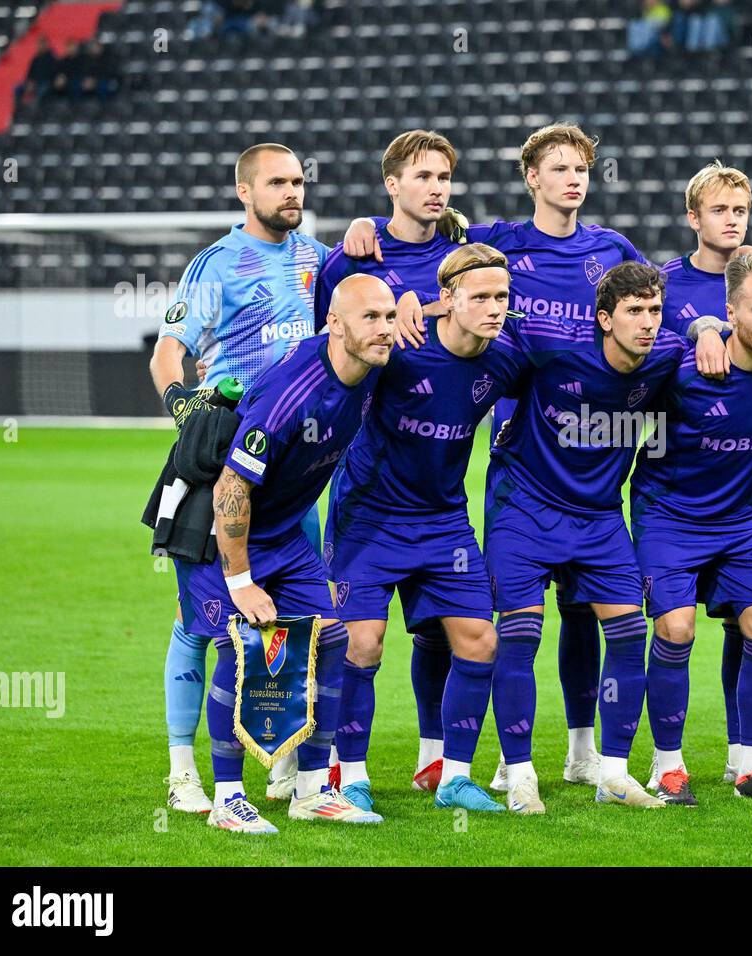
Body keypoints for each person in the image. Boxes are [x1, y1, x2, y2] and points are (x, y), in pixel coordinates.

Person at [343, 123, 650, 792]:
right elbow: (424, 250)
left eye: (582, 168)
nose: (574, 178)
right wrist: (369, 235)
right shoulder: (498, 242)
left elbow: (654, 312)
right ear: (531, 177)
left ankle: (582, 750)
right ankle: (438, 758)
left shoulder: (613, 249)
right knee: (458, 627)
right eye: (559, 167)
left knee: (585, 614)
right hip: (521, 457)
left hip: (593, 458)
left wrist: (707, 327)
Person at [150, 143, 331, 813]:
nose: (291, 192)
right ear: (243, 192)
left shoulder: (318, 259)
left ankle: (280, 760)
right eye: (277, 182)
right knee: (202, 623)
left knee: (286, 619)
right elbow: (169, 351)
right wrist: (185, 407)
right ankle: (182, 768)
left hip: (294, 473)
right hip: (225, 468)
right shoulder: (214, 266)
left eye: (298, 181)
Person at [484, 262, 697, 813]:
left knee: (628, 635)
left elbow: (715, 338)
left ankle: (615, 773)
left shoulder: (668, 356)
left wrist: (710, 330)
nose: (647, 323)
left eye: (654, 310)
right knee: (521, 635)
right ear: (604, 319)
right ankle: (520, 771)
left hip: (600, 518)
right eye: (634, 312)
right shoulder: (553, 345)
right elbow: (485, 321)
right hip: (525, 510)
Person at [326, 244, 528, 813]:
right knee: (361, 646)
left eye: (502, 297)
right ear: (448, 299)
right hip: (369, 518)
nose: (494, 308)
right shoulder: (400, 350)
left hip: (443, 522)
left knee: (481, 640)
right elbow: (336, 345)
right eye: (481, 297)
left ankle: (455, 779)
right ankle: (351, 774)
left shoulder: (505, 358)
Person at [192, 273, 395, 833]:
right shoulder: (293, 394)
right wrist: (241, 581)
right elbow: (230, 489)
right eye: (369, 318)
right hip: (226, 537)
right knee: (244, 652)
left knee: (333, 636)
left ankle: (310, 790)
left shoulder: (369, 360)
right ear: (335, 324)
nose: (384, 329)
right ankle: (226, 799)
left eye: (387, 316)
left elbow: (432, 316)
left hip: (283, 534)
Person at [314, 130, 468, 791]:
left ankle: (434, 758)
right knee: (360, 642)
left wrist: (428, 303)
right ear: (392, 185)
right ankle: (341, 767)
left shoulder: (460, 260)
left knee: (439, 633)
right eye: (423, 176)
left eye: (444, 177)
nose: (436, 187)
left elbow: (484, 305)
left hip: (440, 484)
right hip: (369, 482)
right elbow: (327, 346)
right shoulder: (354, 259)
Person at [633, 253, 752, 805]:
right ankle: (667, 768)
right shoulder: (681, 369)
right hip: (669, 516)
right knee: (677, 629)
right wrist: (699, 329)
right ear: (730, 311)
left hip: (741, 520)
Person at [15, 37, 58, 107]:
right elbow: (29, 73)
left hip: (46, 82)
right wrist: (30, 82)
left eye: (43, 45)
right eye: (39, 44)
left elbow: (53, 74)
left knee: (42, 90)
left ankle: (36, 112)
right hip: (34, 82)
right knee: (17, 88)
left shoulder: (52, 58)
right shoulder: (35, 59)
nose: (40, 46)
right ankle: (18, 109)